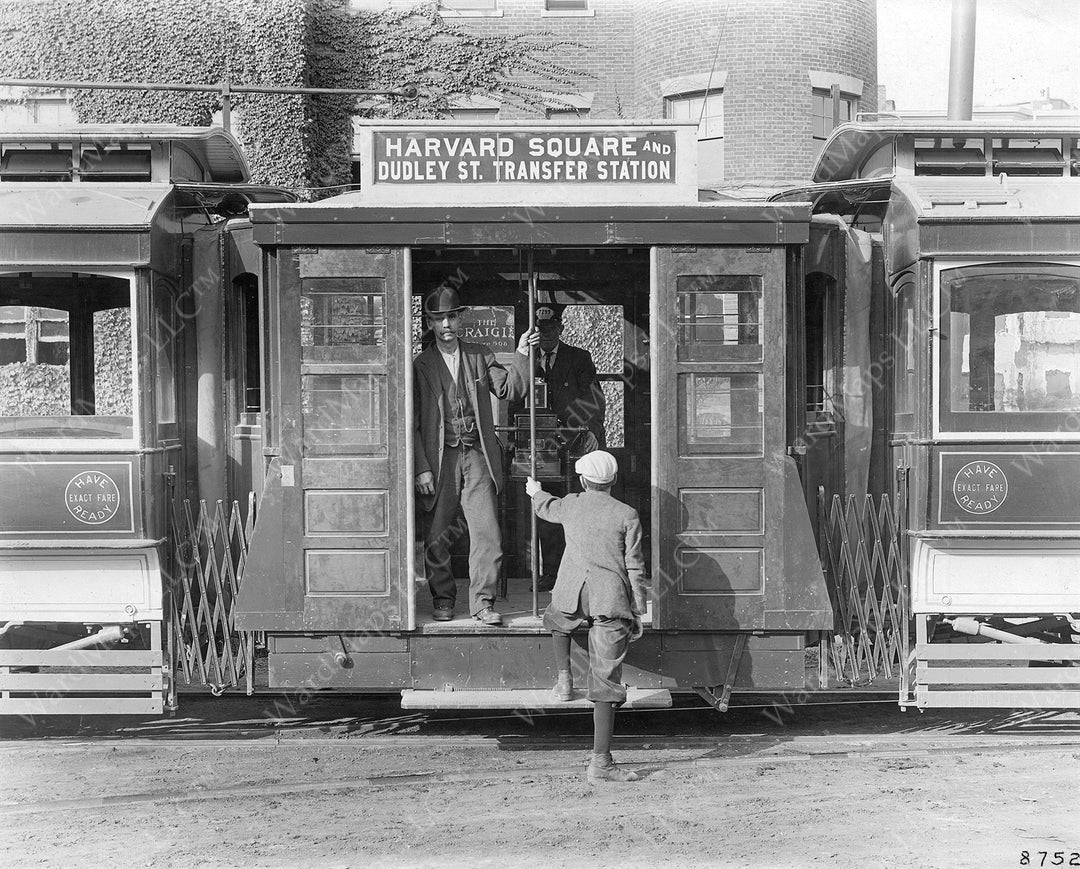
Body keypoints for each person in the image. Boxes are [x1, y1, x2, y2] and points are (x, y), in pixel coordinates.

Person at [414, 286, 539, 625]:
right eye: (439, 319)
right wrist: (421, 468)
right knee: (438, 534)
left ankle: (482, 603)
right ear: (430, 322)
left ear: (461, 318)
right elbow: (410, 423)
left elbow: (511, 389)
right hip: (439, 462)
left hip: (478, 456)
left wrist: (522, 354)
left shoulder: (480, 354)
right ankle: (442, 598)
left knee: (488, 534)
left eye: (452, 317)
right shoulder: (420, 364)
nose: (446, 325)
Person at [526, 450, 648, 783]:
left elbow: (546, 506)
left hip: (571, 592)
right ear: (613, 481)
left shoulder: (572, 503)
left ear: (583, 481)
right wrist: (638, 610)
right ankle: (601, 763)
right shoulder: (628, 514)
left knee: (556, 619)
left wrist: (534, 490)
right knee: (606, 680)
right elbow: (635, 567)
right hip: (610, 598)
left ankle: (564, 679)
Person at [529, 304, 607, 591]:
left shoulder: (578, 358)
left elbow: (595, 399)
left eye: (550, 330)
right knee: (548, 507)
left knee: (577, 508)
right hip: (541, 446)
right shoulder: (527, 359)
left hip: (573, 444)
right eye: (540, 331)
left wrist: (593, 434)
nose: (546, 336)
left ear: (560, 329)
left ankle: (580, 574)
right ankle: (551, 573)